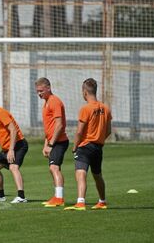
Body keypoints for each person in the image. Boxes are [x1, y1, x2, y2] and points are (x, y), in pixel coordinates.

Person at [64, 78, 112, 211]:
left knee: (81, 173)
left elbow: (79, 131)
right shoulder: (105, 108)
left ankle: (80, 202)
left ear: (85, 92)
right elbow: (108, 131)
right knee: (97, 175)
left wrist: (75, 146)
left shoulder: (86, 109)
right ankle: (102, 201)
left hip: (85, 146)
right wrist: (99, 139)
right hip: (98, 147)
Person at [0, 91, 29, 203]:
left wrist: (11, 150)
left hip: (18, 145)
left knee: (13, 167)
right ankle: (0, 195)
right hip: (6, 148)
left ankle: (21, 197)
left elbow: (13, 130)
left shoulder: (0, 112)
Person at [35, 78, 69, 207]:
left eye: (41, 91)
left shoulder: (54, 101)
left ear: (48, 88)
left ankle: (59, 198)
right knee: (54, 168)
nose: (39, 94)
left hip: (59, 142)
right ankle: (57, 196)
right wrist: (46, 144)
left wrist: (50, 144)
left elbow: (59, 125)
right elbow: (49, 126)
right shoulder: (47, 102)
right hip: (52, 142)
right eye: (37, 91)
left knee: (54, 168)